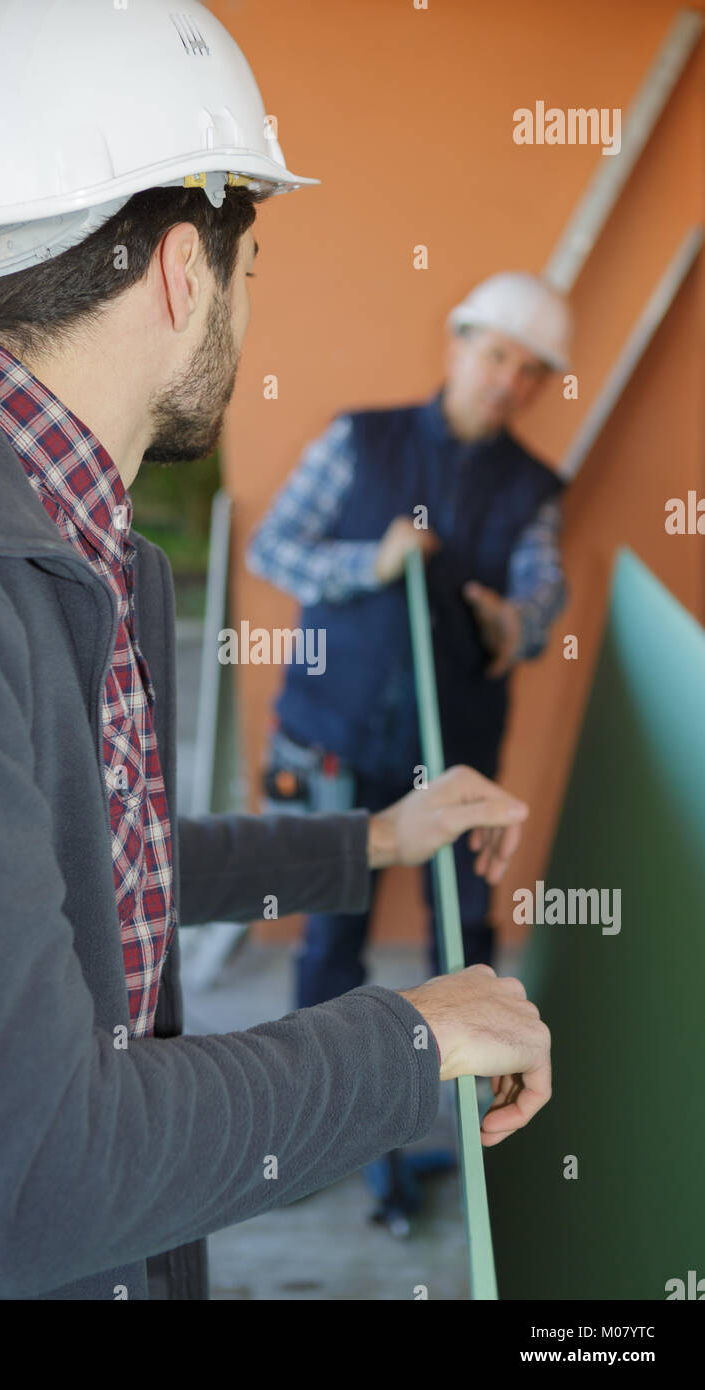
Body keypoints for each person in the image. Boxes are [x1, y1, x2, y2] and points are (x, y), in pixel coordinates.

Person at [0, 0, 550, 1301]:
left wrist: (367, 844)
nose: (244, 304)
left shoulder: (82, 539)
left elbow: (85, 872)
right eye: (248, 268)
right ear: (182, 270)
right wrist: (410, 1036)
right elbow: (36, 1174)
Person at [247, 270, 571, 1231]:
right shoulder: (360, 437)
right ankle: (303, 1139)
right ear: (457, 343)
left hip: (457, 763)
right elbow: (273, 547)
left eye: (530, 371)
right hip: (334, 741)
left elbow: (543, 596)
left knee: (463, 945)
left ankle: (475, 1139)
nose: (507, 381)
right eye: (495, 354)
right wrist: (371, 561)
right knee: (328, 938)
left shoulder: (535, 489)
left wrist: (515, 622)